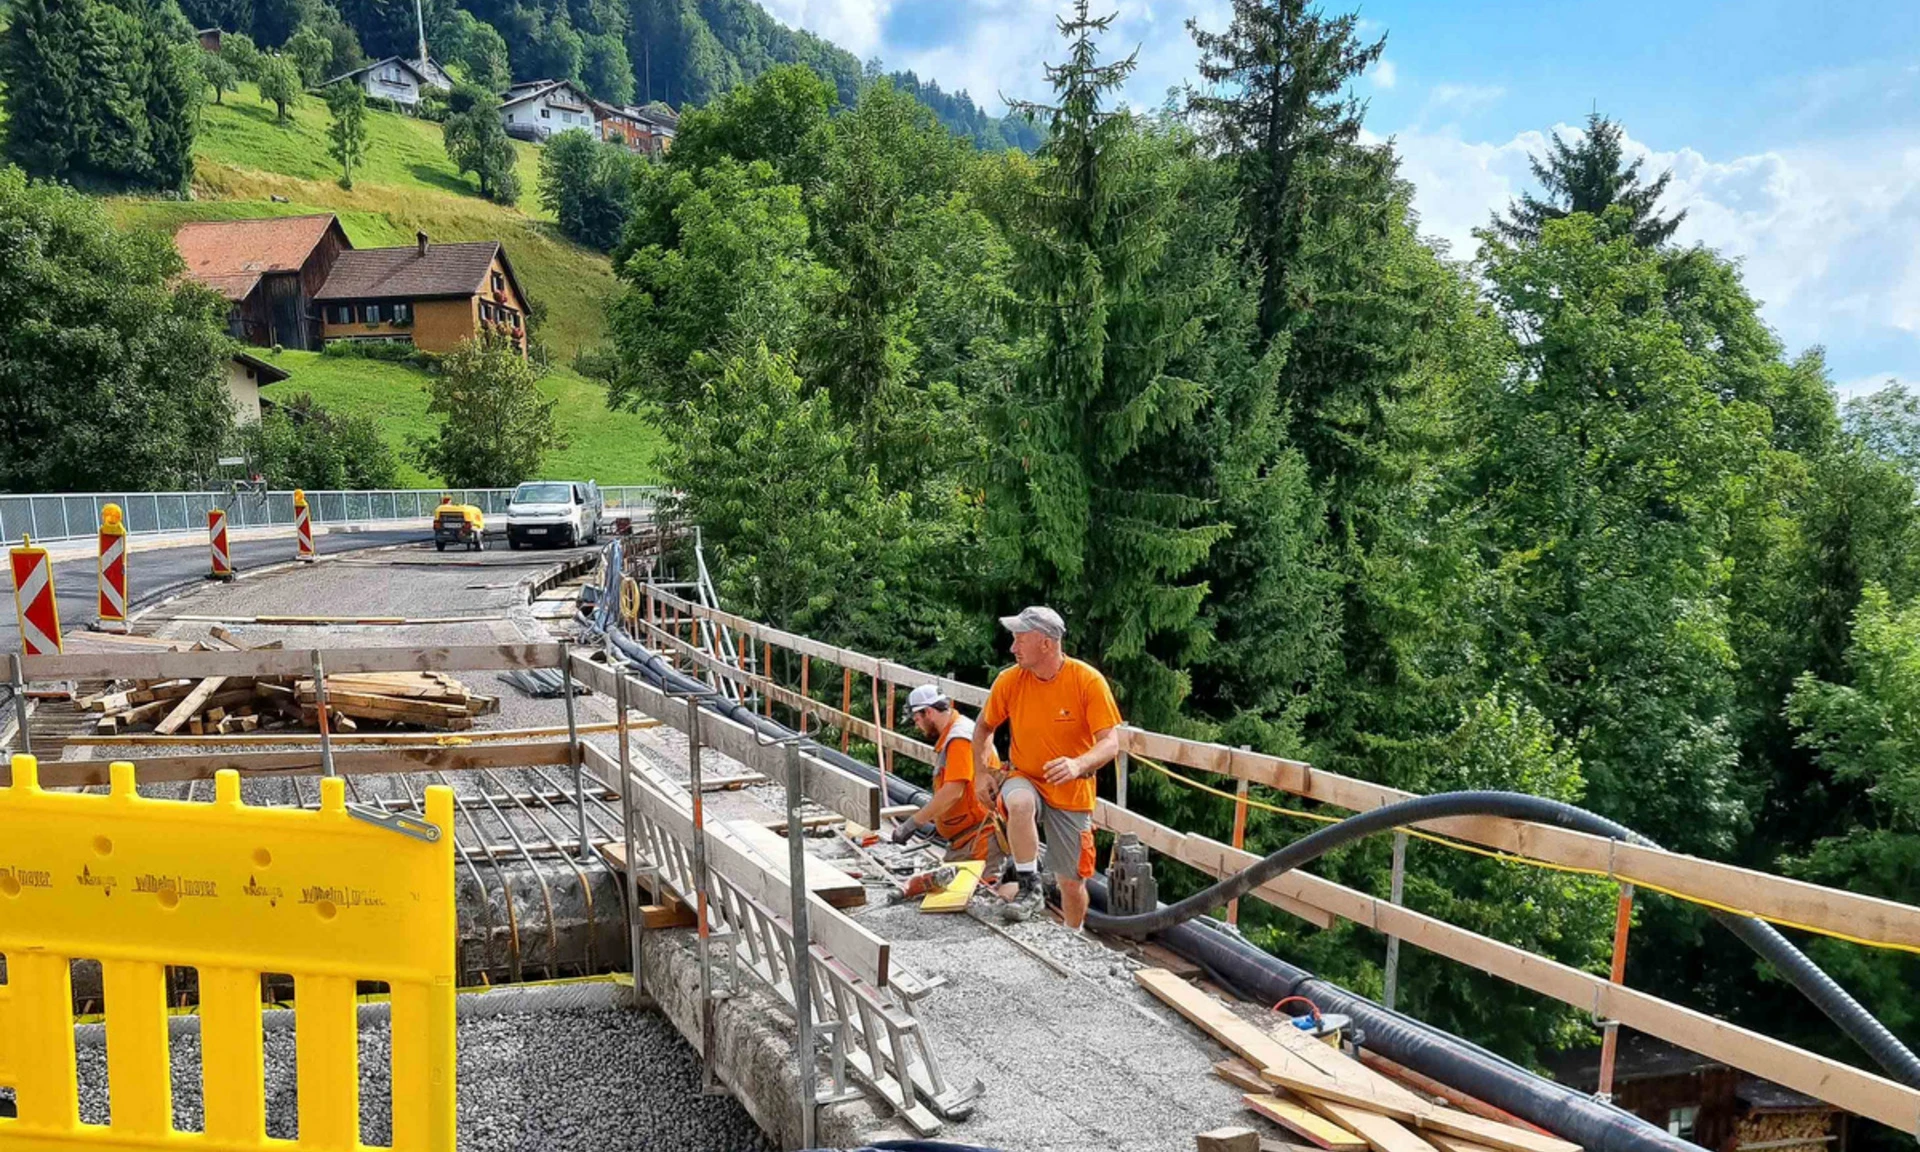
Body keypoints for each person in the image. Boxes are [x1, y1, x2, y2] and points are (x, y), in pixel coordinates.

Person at [973, 605, 1122, 927]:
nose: (1013, 648)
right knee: (1019, 802)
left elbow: (1111, 743)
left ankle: (1073, 935)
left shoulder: (1087, 681)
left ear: (1046, 642)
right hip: (1024, 776)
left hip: (1072, 790)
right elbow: (984, 727)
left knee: (1071, 882)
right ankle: (1029, 887)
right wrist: (981, 772)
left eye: (1020, 639)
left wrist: (1077, 764)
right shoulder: (1010, 681)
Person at [891, 684, 1007, 883]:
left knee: (983, 895)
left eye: (917, 719)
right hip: (968, 838)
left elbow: (953, 791)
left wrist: (913, 824)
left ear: (928, 712)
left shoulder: (959, 739)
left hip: (979, 839)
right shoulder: (959, 731)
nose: (917, 726)